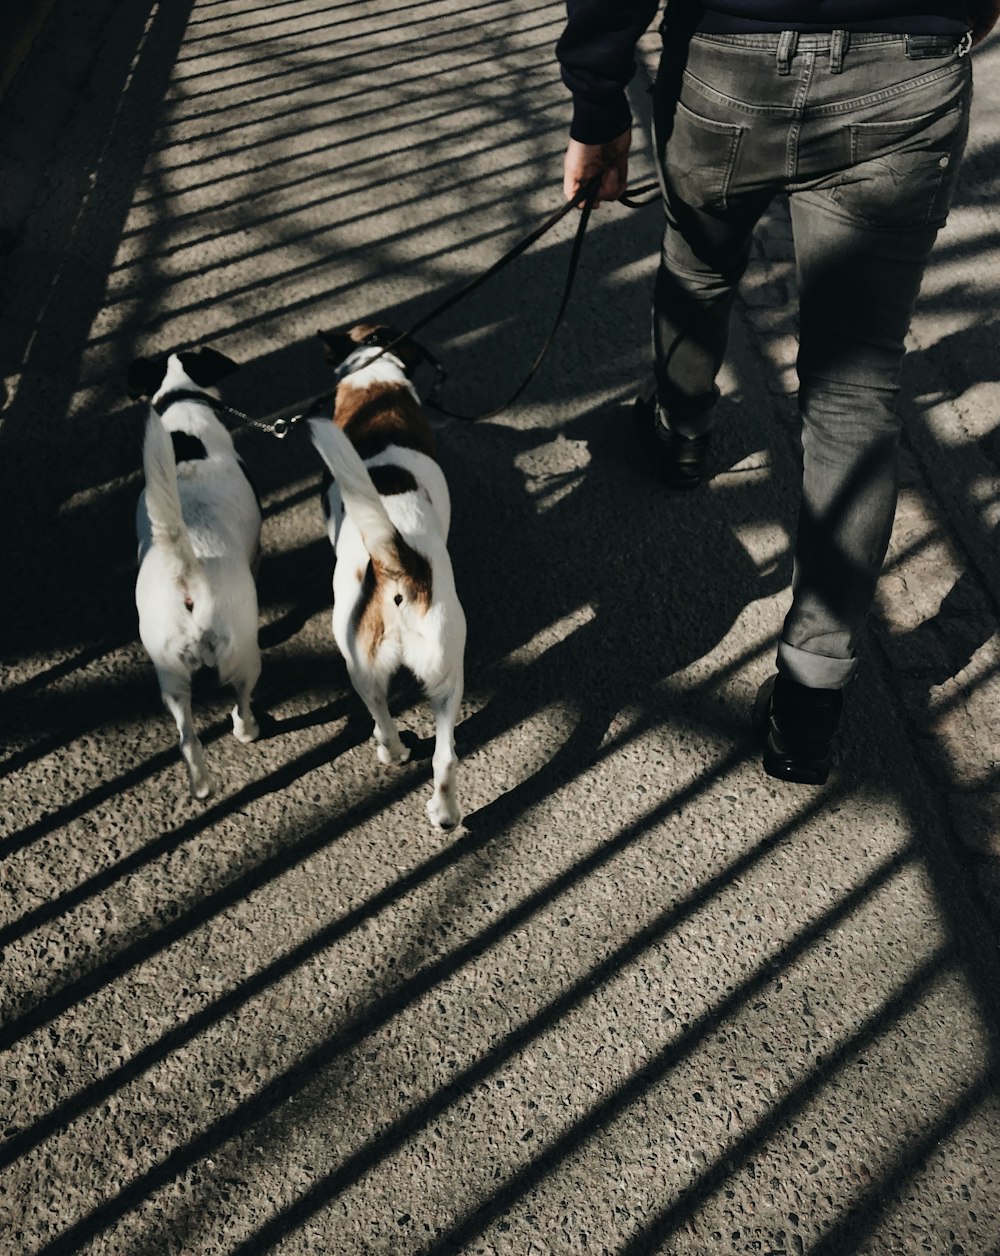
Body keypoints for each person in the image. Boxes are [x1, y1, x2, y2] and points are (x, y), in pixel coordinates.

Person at [557, 0, 998, 785]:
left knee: (698, 266)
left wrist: (597, 101)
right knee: (854, 384)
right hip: (908, 66)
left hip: (729, 52)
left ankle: (683, 432)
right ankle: (810, 700)